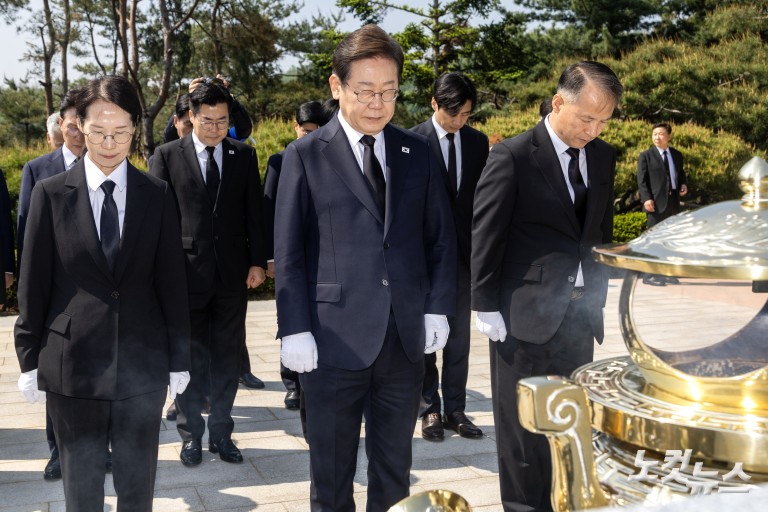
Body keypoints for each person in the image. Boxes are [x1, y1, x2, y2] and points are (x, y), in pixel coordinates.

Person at [274, 24, 456, 511]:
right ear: (337, 87)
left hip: (402, 340)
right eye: (365, 91)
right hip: (331, 342)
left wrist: (437, 309)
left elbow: (440, 240)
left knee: (394, 469)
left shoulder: (416, 152)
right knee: (331, 474)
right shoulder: (305, 155)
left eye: (389, 91)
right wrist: (294, 329)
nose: (378, 103)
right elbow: (289, 252)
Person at [14, 75, 191, 511]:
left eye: (122, 132)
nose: (110, 143)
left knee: (137, 485)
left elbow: (171, 283)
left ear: (136, 127)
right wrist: (28, 358)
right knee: (82, 486)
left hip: (142, 365)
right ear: (76, 125)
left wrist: (179, 358)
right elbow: (32, 283)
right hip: (72, 366)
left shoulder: (156, 194)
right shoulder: (50, 194)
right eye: (98, 131)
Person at [471, 61, 622, 512]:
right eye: (586, 118)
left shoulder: (603, 157)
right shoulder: (513, 156)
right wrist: (484, 303)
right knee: (522, 431)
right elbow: (486, 232)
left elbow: (599, 229)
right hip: (522, 318)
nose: (593, 130)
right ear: (559, 102)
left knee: (570, 425)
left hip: (579, 315)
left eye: (603, 121)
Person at [149, 79, 268, 467]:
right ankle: (190, 436)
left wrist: (257, 261)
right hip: (184, 277)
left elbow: (255, 213)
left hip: (233, 277)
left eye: (222, 120)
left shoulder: (243, 155)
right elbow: (157, 222)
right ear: (190, 117)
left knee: (227, 357)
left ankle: (222, 432)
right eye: (207, 120)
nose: (215, 128)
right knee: (188, 358)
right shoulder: (167, 156)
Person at [17, 89, 103, 482]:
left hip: (100, 296)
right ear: (61, 129)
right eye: (70, 126)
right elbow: (27, 231)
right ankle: (58, 452)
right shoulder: (38, 170)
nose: (76, 134)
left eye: (80, 127)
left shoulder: (106, 165)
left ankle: (103, 449)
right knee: (60, 382)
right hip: (57, 293)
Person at [410, 72, 489, 442]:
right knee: (427, 339)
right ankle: (430, 408)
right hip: (422, 260)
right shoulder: (410, 141)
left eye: (466, 114)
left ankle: (456, 408)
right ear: (434, 103)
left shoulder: (477, 142)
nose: (459, 121)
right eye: (453, 113)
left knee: (459, 340)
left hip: (462, 258)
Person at [263, 100, 329, 411]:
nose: (309, 137)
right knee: (288, 315)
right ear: (295, 127)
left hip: (320, 257)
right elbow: (269, 209)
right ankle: (291, 382)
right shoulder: (280, 160)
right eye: (305, 131)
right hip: (288, 252)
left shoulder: (330, 159)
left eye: (316, 132)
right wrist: (271, 257)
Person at [637, 122, 688, 286]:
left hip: (673, 202)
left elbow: (680, 174)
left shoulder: (677, 155)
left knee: (669, 240)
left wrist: (683, 184)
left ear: (669, 136)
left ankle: (666, 273)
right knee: (653, 239)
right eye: (654, 134)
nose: (657, 137)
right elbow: (642, 180)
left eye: (660, 134)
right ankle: (649, 275)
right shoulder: (646, 156)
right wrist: (647, 199)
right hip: (655, 203)